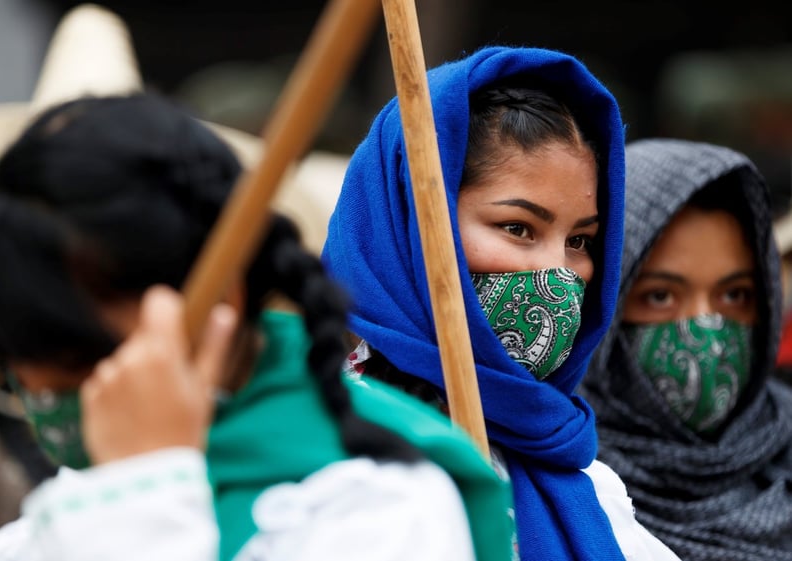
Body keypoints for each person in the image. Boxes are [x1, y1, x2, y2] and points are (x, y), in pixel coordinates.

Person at [0, 93, 513, 561]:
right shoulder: (50, 522)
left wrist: (145, 496)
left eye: (75, 356)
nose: (41, 393)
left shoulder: (379, 504)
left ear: (219, 298)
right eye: (14, 361)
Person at [321, 45, 680, 561]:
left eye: (580, 241)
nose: (558, 271)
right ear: (408, 230)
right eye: (518, 228)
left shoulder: (587, 487)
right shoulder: (319, 461)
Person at [579, 138, 792, 560]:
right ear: (605, 303)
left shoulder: (783, 442)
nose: (706, 329)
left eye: (735, 295)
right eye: (660, 296)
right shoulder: (555, 481)